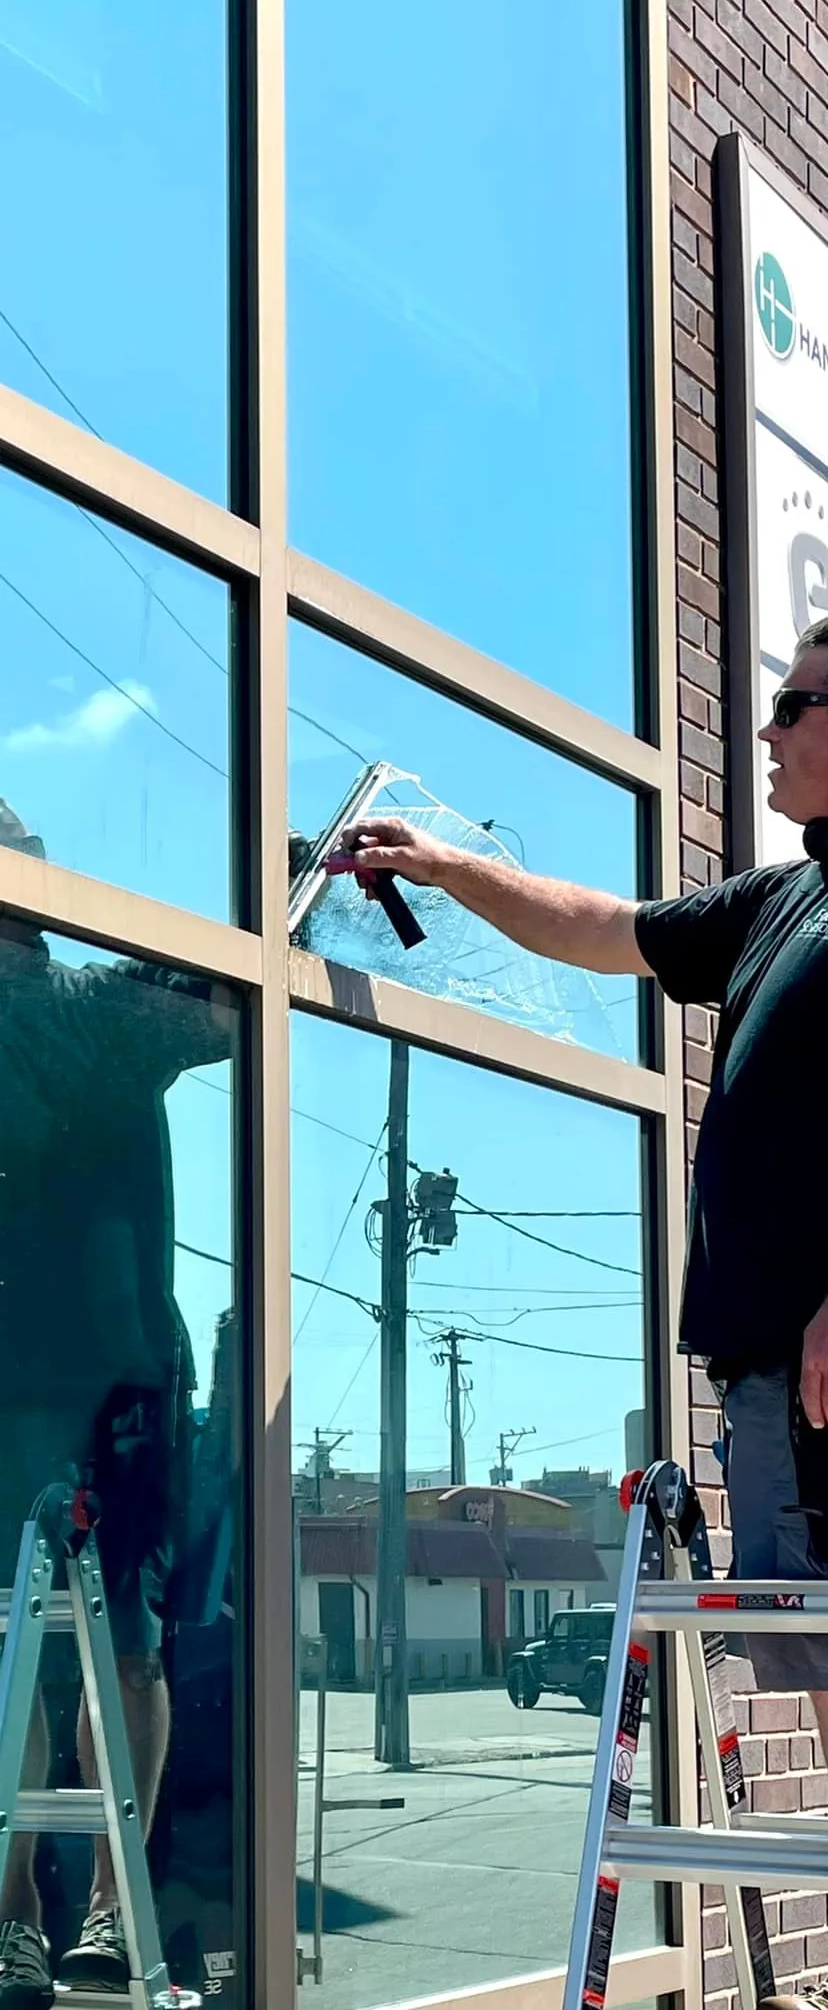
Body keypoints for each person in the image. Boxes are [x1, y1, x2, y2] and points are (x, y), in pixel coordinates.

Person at [332, 608, 828, 2010]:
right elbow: (606, 930)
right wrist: (447, 866)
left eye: (796, 703)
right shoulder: (793, 896)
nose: (767, 730)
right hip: (788, 1365)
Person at [0, 803, 232, 2009]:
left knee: (122, 1647)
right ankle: (24, 1918)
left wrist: (285, 893)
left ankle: (97, 1908)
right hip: (36, 1377)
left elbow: (224, 1000)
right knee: (27, 1646)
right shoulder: (93, 1011)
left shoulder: (93, 1011)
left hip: (119, 1378)